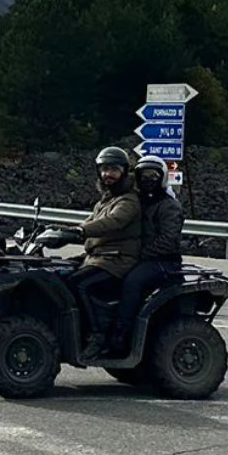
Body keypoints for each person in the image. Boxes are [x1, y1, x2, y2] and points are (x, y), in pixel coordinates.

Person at [54, 145, 143, 357]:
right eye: (103, 169)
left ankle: (98, 335)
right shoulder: (106, 199)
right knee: (57, 271)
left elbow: (112, 222)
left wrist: (80, 231)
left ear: (123, 171)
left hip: (117, 260)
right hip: (98, 257)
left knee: (79, 284)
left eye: (113, 169)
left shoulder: (128, 200)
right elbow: (90, 221)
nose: (107, 174)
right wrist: (59, 232)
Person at [105, 155, 185, 355]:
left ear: (163, 177)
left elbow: (168, 240)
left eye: (153, 175)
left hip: (163, 261)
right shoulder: (138, 201)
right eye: (143, 175)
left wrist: (138, 254)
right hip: (139, 256)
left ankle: (121, 333)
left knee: (133, 281)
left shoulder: (169, 206)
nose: (148, 180)